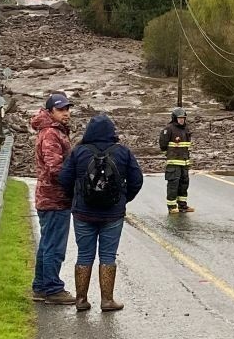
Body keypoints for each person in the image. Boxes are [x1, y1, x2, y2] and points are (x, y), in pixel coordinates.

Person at [59, 114, 143, 312]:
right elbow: (137, 180)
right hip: (113, 214)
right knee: (108, 255)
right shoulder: (123, 152)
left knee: (84, 255)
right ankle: (107, 300)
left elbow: (64, 178)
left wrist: (77, 196)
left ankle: (81, 300)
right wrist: (123, 199)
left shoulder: (78, 152)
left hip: (83, 213)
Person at [31, 93, 76, 304]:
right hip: (54, 198)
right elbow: (55, 169)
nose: (66, 113)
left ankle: (40, 286)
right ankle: (52, 288)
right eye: (61, 109)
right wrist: (74, 182)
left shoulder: (54, 131)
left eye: (67, 109)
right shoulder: (51, 134)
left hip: (50, 197)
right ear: (50, 112)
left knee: (47, 243)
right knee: (54, 246)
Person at [160, 107, 194, 214]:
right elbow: (163, 145)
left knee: (184, 184)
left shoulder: (186, 129)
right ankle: (172, 207)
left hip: (184, 162)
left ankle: (182, 206)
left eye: (183, 118)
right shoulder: (168, 129)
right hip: (173, 162)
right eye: (179, 118)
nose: (181, 120)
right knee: (173, 184)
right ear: (175, 118)